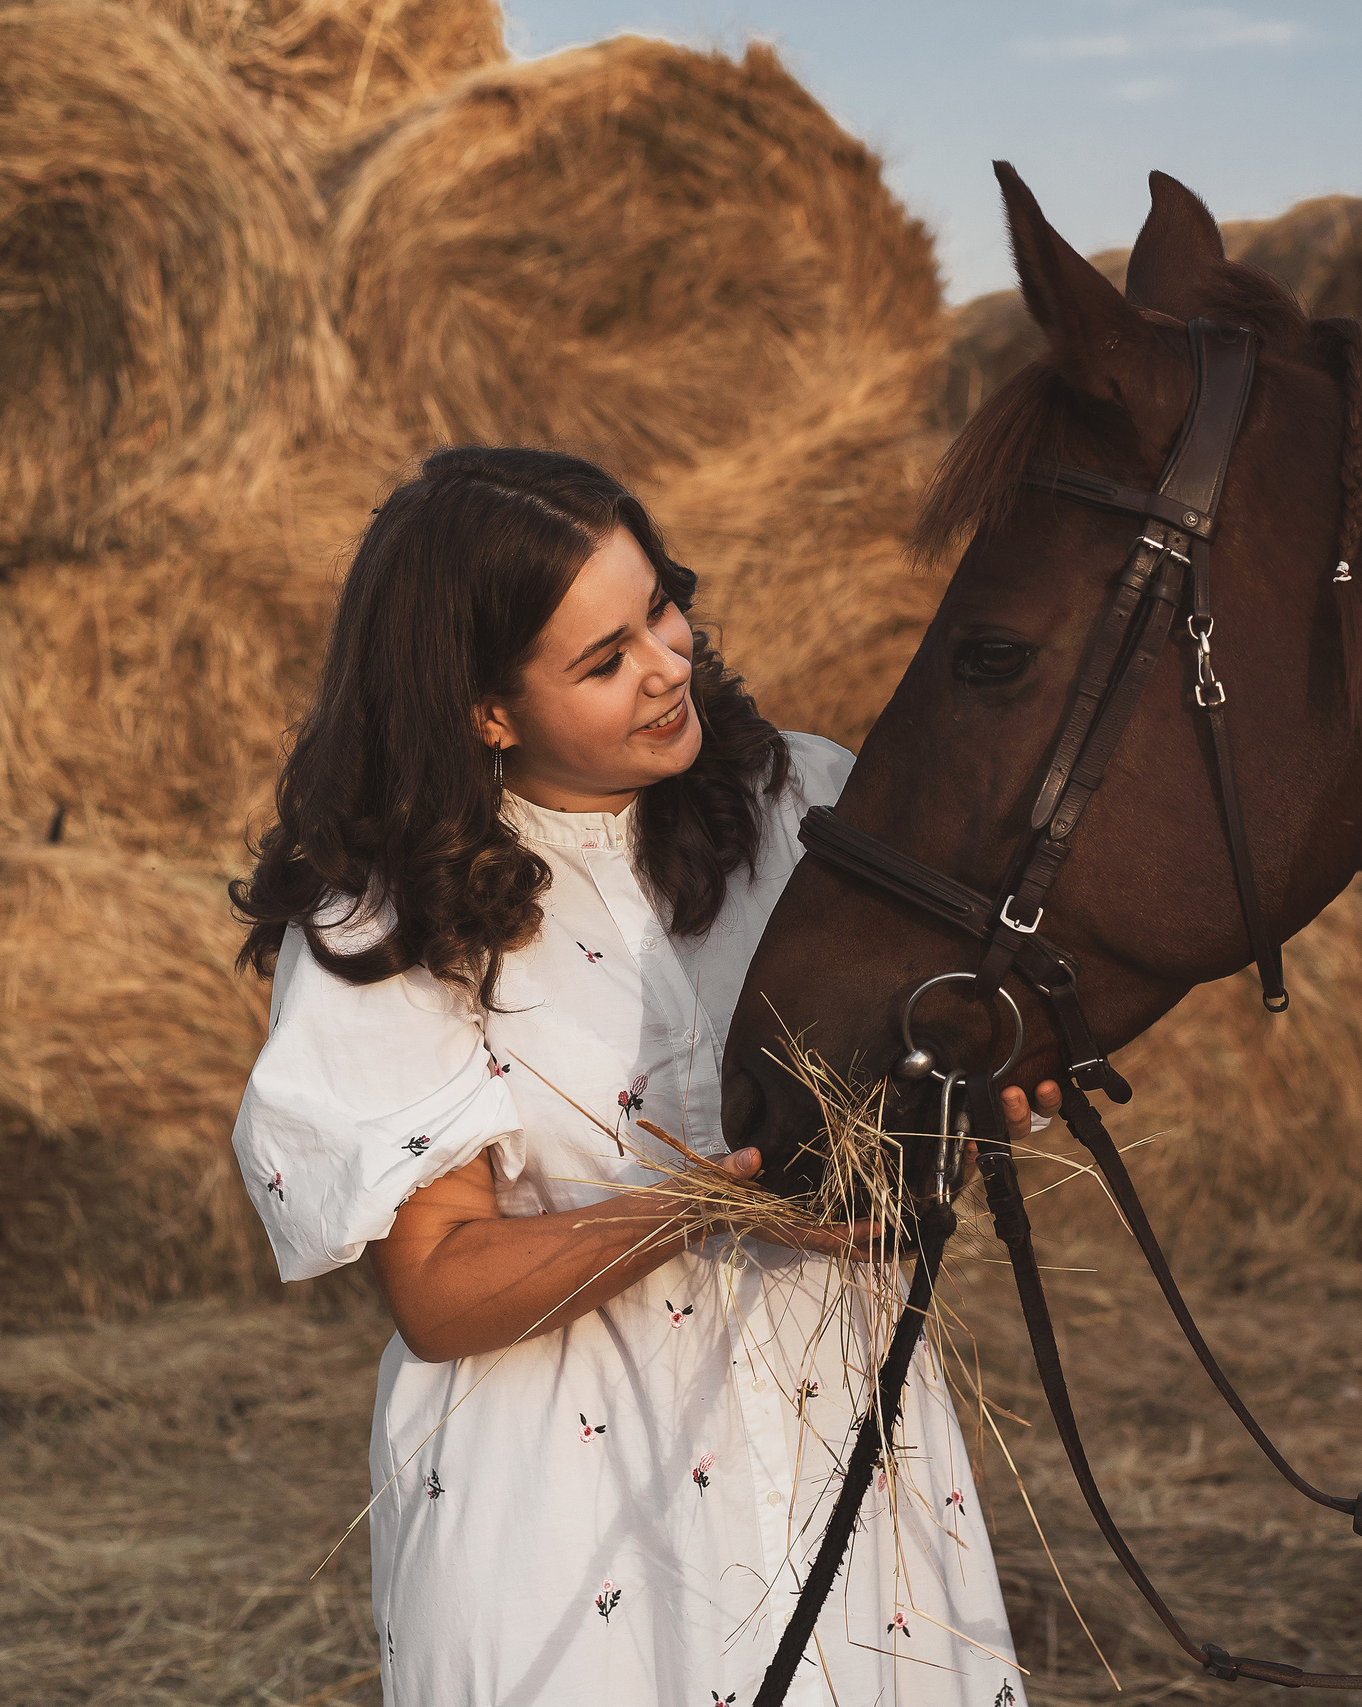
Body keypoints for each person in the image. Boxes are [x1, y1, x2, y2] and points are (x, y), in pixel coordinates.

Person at [227, 446, 1036, 1704]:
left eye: (661, 608)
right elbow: (439, 1288)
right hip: (570, 1501)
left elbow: (876, 1184)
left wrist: (943, 1134)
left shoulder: (806, 808)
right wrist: (709, 1204)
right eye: (602, 662)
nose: (668, 665)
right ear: (486, 711)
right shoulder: (385, 926)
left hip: (849, 1445)